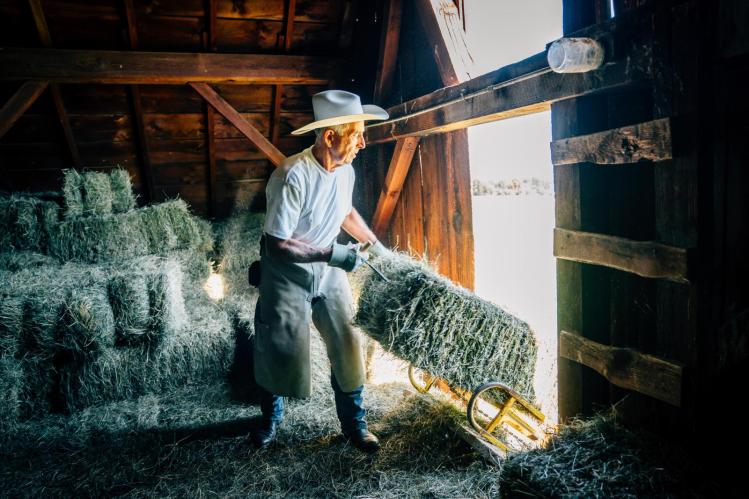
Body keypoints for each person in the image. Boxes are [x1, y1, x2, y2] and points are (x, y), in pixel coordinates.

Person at [251, 90, 389, 452]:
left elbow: (345, 212)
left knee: (348, 341)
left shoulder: (346, 171)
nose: (363, 143)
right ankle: (269, 419)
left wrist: (375, 244)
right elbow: (278, 243)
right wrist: (333, 253)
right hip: (285, 272)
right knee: (278, 345)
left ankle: (355, 425)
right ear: (330, 137)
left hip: (328, 270)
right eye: (356, 135)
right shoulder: (291, 175)